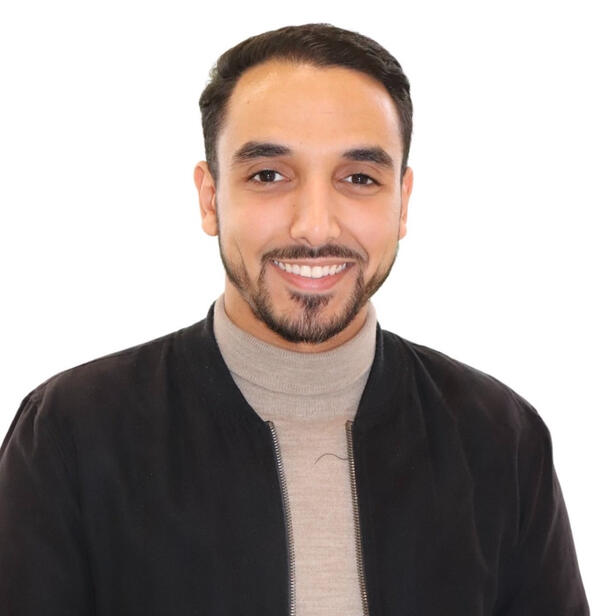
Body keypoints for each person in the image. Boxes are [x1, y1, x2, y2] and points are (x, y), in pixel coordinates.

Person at [0, 22, 589, 616]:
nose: (314, 226)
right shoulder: (70, 436)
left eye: (359, 178)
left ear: (402, 201)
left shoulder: (501, 439)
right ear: (210, 197)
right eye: (268, 175)